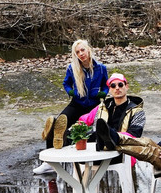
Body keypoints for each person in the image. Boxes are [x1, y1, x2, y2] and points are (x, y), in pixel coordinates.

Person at [34, 39, 108, 174]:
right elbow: (66, 83)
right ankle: (49, 163)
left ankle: (93, 158)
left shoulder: (101, 68)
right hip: (77, 103)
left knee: (97, 128)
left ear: (88, 50)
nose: (81, 54)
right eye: (77, 52)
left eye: (82, 50)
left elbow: (106, 84)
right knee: (56, 124)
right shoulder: (72, 68)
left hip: (94, 105)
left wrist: (103, 93)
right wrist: (70, 92)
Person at [77, 73, 145, 163]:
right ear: (109, 89)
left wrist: (115, 136)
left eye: (120, 85)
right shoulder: (102, 107)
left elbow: (134, 135)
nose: (117, 88)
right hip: (99, 149)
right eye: (113, 86)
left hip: (123, 152)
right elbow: (85, 119)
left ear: (126, 86)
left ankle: (109, 136)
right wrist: (76, 128)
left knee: (108, 134)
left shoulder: (137, 111)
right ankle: (57, 138)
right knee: (76, 135)